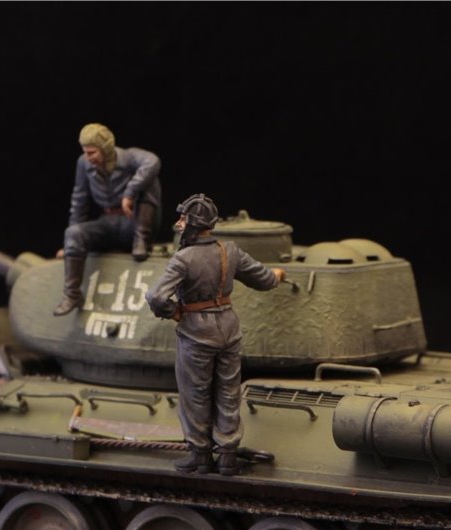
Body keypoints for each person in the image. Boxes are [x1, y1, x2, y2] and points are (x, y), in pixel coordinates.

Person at [146, 194, 286, 476]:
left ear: (194, 223)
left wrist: (174, 312)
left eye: (183, 218)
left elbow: (156, 297)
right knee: (228, 392)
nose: (179, 223)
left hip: (196, 332)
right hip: (229, 328)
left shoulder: (182, 259)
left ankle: (200, 456)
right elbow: (264, 279)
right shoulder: (230, 251)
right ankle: (227, 457)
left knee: (195, 394)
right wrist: (276, 276)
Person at [54, 123, 162, 316]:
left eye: (92, 153)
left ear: (105, 149)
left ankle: (141, 239)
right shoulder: (83, 164)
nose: (88, 157)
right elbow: (79, 200)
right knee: (73, 233)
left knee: (150, 179)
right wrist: (70, 245)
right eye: (85, 152)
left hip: (133, 223)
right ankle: (71, 294)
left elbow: (152, 161)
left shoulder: (128, 157)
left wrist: (130, 193)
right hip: (108, 222)